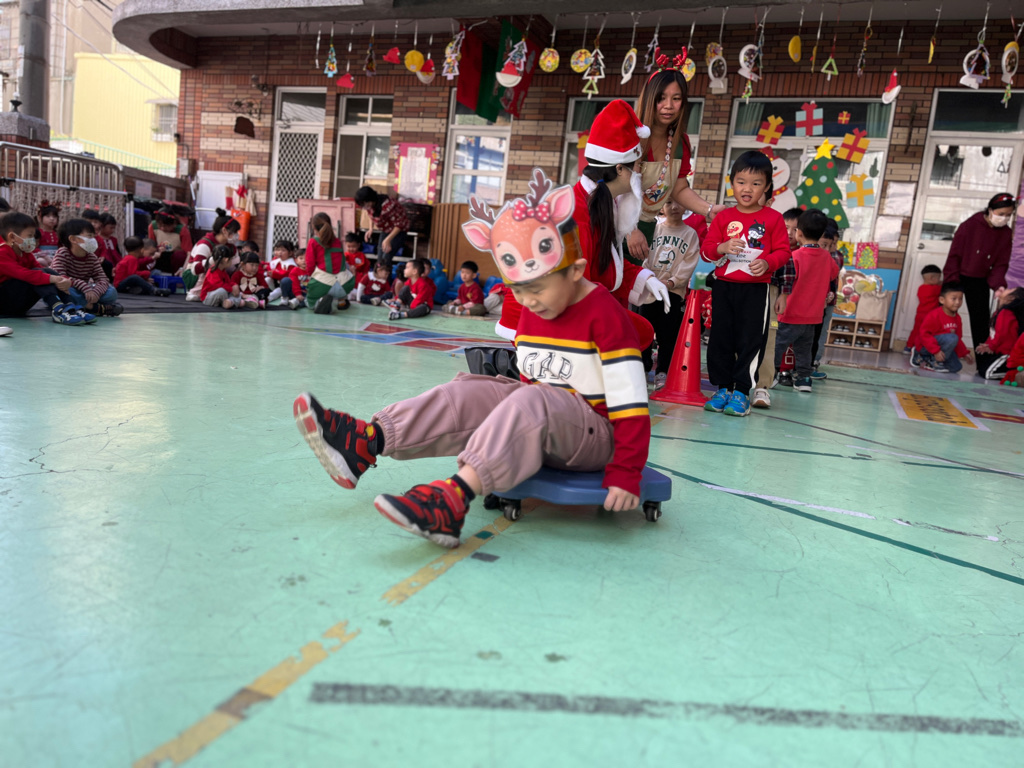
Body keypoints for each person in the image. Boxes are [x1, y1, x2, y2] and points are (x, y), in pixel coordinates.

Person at [293, 169, 650, 548]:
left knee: (532, 399)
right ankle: (367, 442)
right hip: (553, 425)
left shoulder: (605, 316)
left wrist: (626, 473)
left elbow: (631, 403)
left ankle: (452, 500)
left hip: (599, 437)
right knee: (470, 390)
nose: (527, 301)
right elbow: (530, 383)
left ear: (576, 270)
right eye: (517, 290)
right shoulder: (537, 306)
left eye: (536, 289)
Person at [485, 101, 670, 344]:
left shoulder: (599, 203)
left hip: (561, 305)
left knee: (638, 331)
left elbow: (604, 266)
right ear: (619, 169)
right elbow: (577, 284)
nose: (640, 173)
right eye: (637, 166)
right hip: (540, 317)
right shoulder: (576, 214)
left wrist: (646, 278)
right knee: (635, 332)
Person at [699, 151, 791, 416]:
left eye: (756, 183)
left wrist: (768, 262)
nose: (747, 189)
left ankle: (741, 392)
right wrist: (722, 247)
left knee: (751, 340)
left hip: (756, 290)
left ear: (767, 186)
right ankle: (722, 389)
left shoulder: (773, 218)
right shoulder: (723, 217)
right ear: (732, 183)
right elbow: (706, 252)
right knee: (720, 339)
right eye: (741, 182)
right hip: (723, 288)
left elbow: (784, 251)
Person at [626, 57, 724, 263]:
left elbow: (679, 189)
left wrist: (709, 210)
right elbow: (613, 190)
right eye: (661, 98)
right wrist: (629, 229)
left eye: (676, 98)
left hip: (646, 228)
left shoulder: (680, 143)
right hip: (614, 227)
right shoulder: (629, 135)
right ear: (649, 98)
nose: (668, 106)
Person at [772, 210, 840, 393]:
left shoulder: (795, 256)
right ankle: (804, 379)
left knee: (778, 345)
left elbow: (785, 280)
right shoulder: (827, 257)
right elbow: (834, 273)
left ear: (799, 233)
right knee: (804, 349)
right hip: (813, 316)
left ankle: (771, 374)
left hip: (791, 313)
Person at [639, 199, 700, 388]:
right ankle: (642, 368)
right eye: (669, 202)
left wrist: (672, 281)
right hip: (649, 290)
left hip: (673, 292)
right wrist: (649, 278)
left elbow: (689, 261)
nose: (674, 207)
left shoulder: (690, 234)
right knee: (645, 331)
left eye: (679, 202)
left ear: (686, 205)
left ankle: (662, 372)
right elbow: (643, 256)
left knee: (668, 334)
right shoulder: (654, 229)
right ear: (661, 206)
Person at [943, 192, 1014, 349]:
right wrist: (951, 281)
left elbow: (1001, 264)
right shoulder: (969, 225)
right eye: (1001, 214)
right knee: (942, 318)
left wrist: (998, 285)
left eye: (1008, 215)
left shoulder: (1006, 233)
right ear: (990, 210)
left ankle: (983, 360)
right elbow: (954, 256)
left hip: (980, 279)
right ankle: (928, 353)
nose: (1004, 218)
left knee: (981, 322)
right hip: (957, 275)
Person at [0, 211, 94, 325]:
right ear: (12, 237)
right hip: (4, 304)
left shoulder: (25, 252)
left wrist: (64, 280)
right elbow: (23, 274)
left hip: (18, 302)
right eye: (29, 236)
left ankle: (70, 306)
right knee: (37, 275)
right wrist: (53, 279)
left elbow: (42, 270)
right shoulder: (2, 253)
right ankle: (58, 308)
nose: (33, 239)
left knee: (46, 272)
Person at [752, 207, 799, 407]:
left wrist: (783, 294)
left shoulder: (780, 240)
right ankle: (732, 385)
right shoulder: (745, 224)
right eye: (787, 227)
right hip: (742, 286)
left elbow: (787, 270)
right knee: (739, 336)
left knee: (768, 338)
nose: (789, 233)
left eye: (794, 229)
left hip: (770, 289)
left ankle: (762, 386)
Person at [51, 218, 124, 317]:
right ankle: (95, 308)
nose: (93, 240)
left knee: (112, 292)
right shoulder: (62, 253)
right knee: (64, 291)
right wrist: (83, 286)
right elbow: (60, 277)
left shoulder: (92, 257)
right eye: (89, 236)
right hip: (71, 289)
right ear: (73, 239)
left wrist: (96, 292)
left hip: (85, 292)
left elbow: (102, 279)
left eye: (94, 236)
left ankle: (83, 305)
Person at [911, 281, 975, 373]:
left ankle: (929, 359)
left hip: (941, 347)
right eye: (953, 299)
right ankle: (925, 357)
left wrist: (965, 353)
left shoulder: (957, 318)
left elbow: (958, 339)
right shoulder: (934, 315)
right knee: (952, 338)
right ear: (942, 300)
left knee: (956, 367)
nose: (958, 302)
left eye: (960, 299)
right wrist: (936, 351)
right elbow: (924, 335)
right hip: (926, 346)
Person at [809, 220, 844, 379]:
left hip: (827, 302)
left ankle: (814, 362)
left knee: (821, 332)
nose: (830, 248)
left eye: (834, 244)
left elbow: (830, 275)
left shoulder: (836, 256)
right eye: (825, 244)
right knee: (808, 334)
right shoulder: (808, 253)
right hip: (810, 302)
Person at [183, 210, 241, 301]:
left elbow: (234, 268)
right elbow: (195, 269)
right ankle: (195, 292)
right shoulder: (205, 244)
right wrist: (214, 260)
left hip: (219, 276)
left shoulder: (232, 248)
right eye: (234, 232)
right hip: (195, 276)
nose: (237, 235)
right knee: (211, 269)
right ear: (224, 230)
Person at [305, 211, 354, 314]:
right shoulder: (338, 241)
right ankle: (342, 300)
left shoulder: (313, 241)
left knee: (309, 302)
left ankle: (319, 301)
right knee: (343, 271)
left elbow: (310, 265)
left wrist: (311, 281)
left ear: (314, 227)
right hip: (345, 285)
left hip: (322, 284)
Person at [355, 187, 410, 272]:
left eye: (365, 204)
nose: (365, 207)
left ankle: (385, 279)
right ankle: (379, 279)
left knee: (386, 259)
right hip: (386, 230)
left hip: (398, 231)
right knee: (380, 260)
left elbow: (399, 225)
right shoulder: (371, 206)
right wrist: (370, 229)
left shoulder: (388, 205)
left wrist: (388, 240)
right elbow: (371, 215)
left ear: (370, 199)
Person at [975, 287, 1024, 379]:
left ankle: (1014, 373)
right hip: (1000, 352)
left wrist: (991, 346)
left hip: (1007, 354)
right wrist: (987, 344)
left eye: (1009, 290)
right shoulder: (999, 312)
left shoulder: (1006, 312)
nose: (1005, 289)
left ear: (1011, 298)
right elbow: (993, 333)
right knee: (982, 368)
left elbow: (1002, 334)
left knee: (987, 373)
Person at [906, 264, 944, 355]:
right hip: (929, 316)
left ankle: (908, 346)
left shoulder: (921, 288)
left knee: (916, 330)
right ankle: (920, 348)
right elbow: (944, 288)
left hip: (919, 314)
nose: (939, 280)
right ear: (931, 278)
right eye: (938, 277)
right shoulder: (935, 289)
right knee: (927, 332)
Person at [151, 206, 193, 274]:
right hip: (159, 256)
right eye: (160, 225)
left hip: (175, 259)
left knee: (179, 255)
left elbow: (189, 253)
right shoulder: (153, 226)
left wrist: (183, 268)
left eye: (165, 226)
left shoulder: (182, 230)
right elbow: (150, 245)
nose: (162, 228)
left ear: (174, 223)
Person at [201, 245, 245, 309]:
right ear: (226, 260)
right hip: (208, 297)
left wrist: (234, 285)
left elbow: (228, 282)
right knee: (222, 291)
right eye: (231, 259)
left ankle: (230, 302)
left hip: (223, 294)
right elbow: (218, 284)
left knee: (235, 292)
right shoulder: (212, 271)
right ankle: (233, 302)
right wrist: (231, 289)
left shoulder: (223, 271)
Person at [35, 202, 61, 267]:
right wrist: (45, 256)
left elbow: (60, 247)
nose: (52, 219)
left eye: (54, 216)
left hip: (56, 257)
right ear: (40, 217)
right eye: (48, 216)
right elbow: (34, 247)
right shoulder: (37, 232)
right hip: (41, 256)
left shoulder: (58, 233)